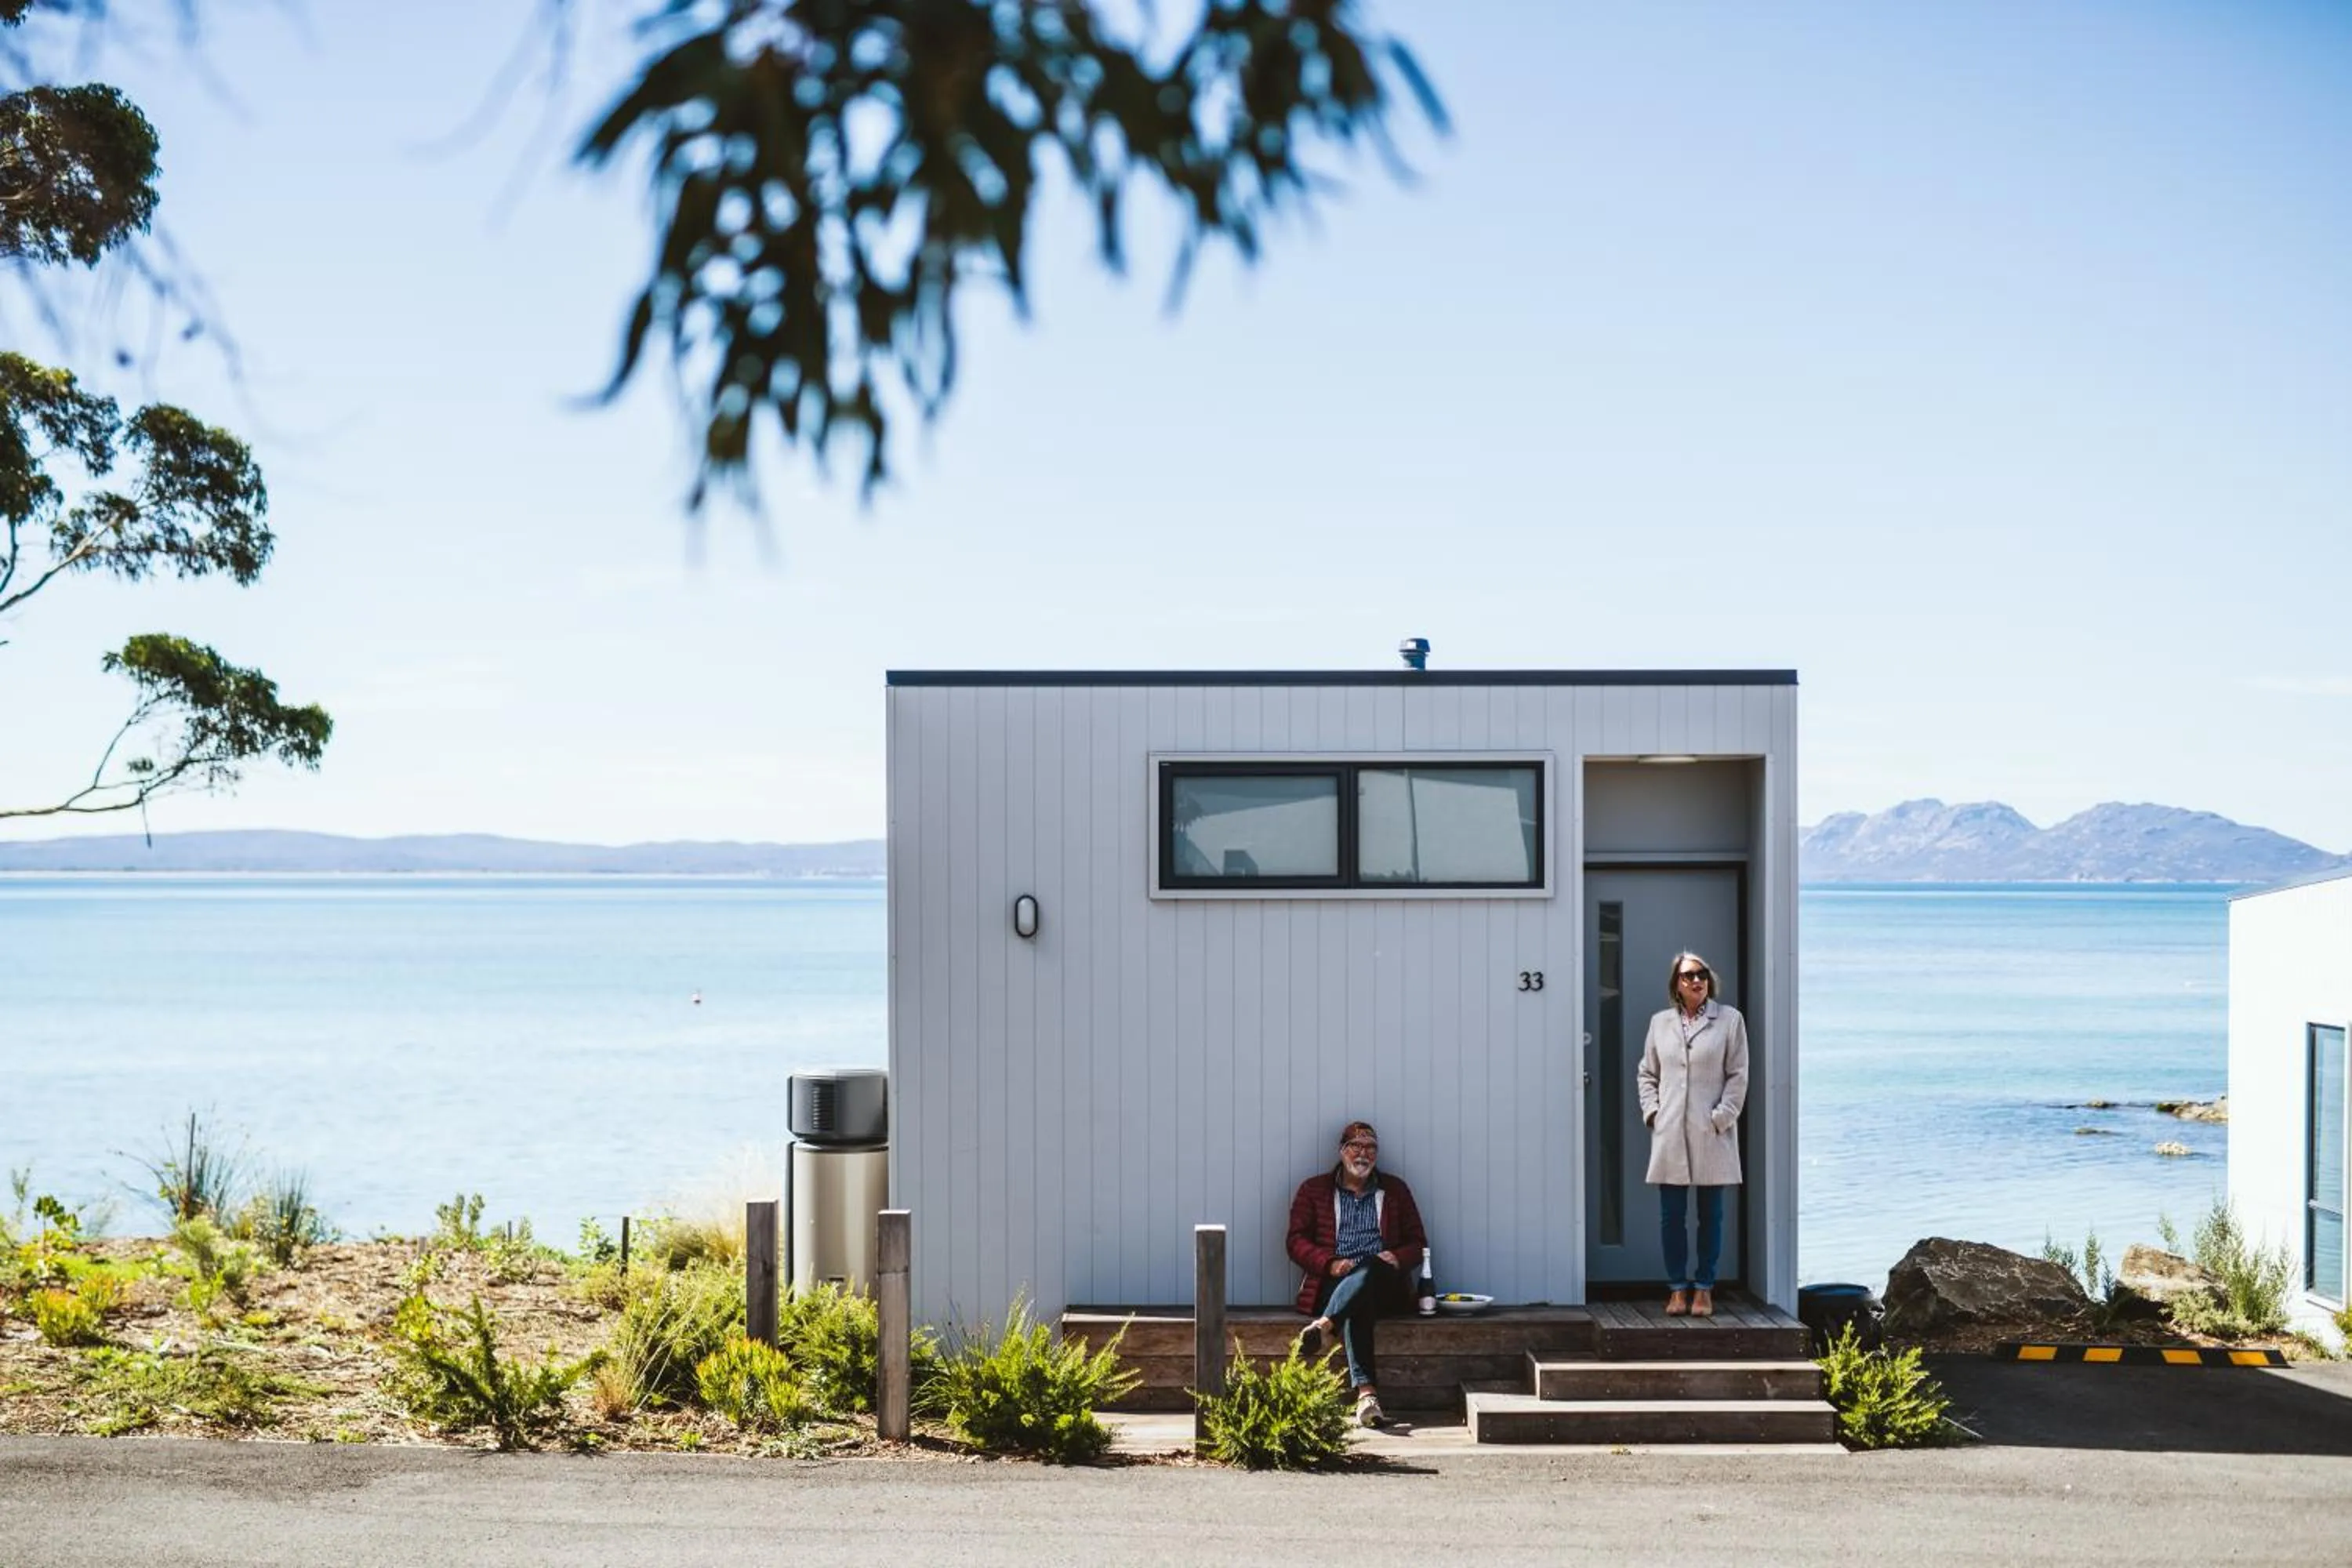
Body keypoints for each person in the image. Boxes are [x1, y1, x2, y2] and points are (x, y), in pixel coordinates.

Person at [1285, 1120, 1428, 1428]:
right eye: (1356, 1147)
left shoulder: (1395, 1190)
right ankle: (1367, 1397)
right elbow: (1295, 1241)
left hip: (1385, 1283)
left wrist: (1398, 1257)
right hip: (1333, 1284)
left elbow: (1418, 1244)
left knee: (1370, 1268)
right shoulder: (1314, 1190)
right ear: (1342, 1151)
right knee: (1358, 1302)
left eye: (1371, 1148)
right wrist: (1329, 1263)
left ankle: (1325, 1326)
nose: (1364, 1154)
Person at [1637, 951, 1749, 1319]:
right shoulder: (1660, 1024)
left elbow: (1738, 1075)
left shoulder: (1729, 1021)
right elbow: (1647, 1073)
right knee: (1671, 1216)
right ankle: (1676, 1289)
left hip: (1711, 1132)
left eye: (1701, 974)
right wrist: (1654, 1112)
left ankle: (1704, 1289)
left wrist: (1722, 1117)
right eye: (1688, 976)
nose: (1696, 981)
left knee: (1711, 1216)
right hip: (1670, 1133)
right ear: (1676, 984)